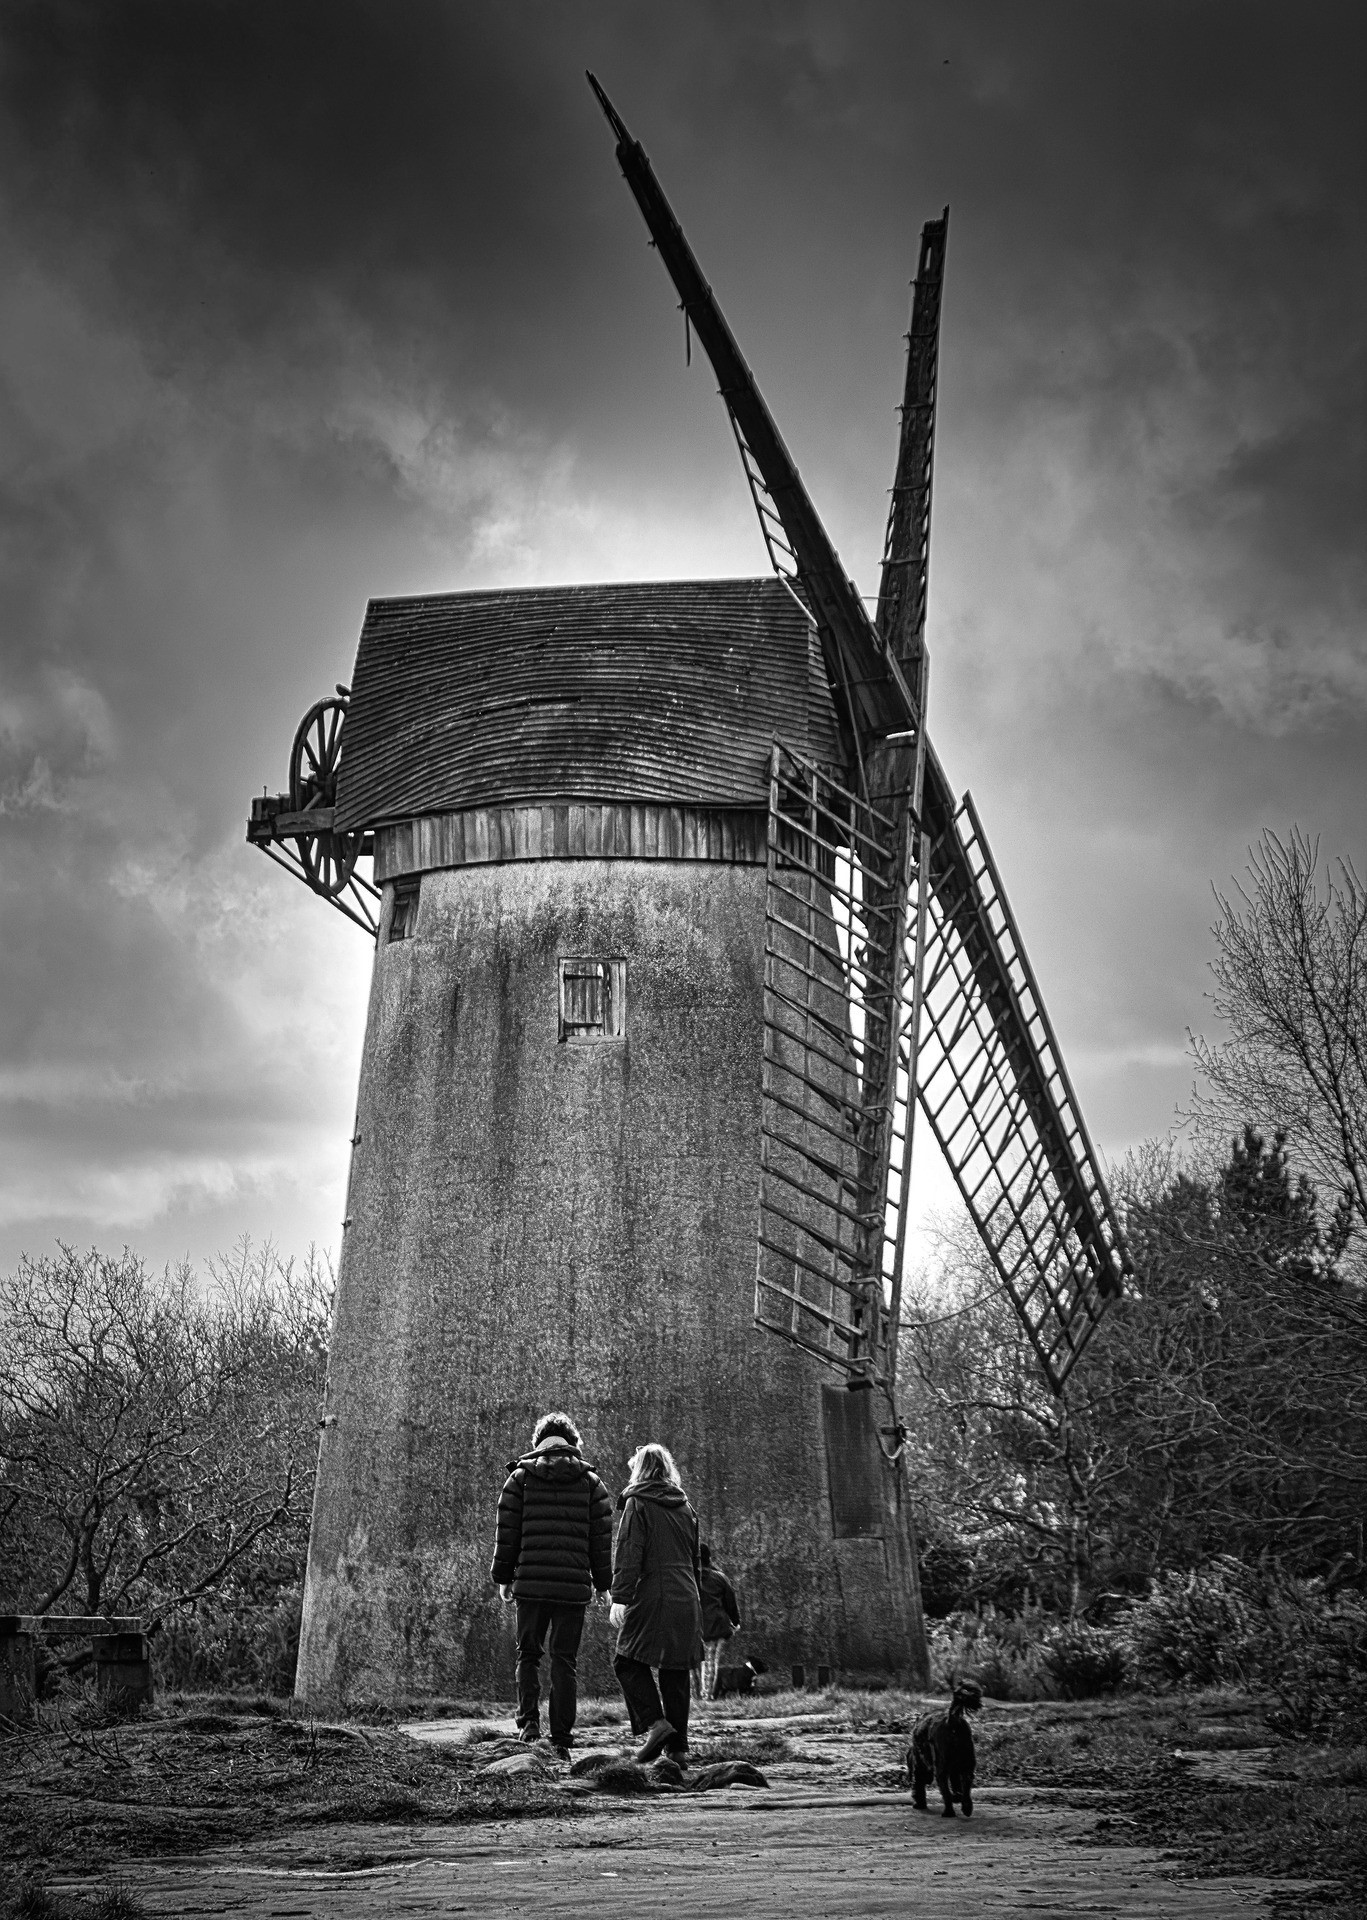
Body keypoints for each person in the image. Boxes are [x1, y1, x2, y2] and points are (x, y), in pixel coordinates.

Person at [489, 1410, 613, 1756]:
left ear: (538, 1443)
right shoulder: (592, 1483)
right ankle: (561, 1734)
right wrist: (603, 1583)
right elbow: (600, 1541)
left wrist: (503, 1577)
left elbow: (507, 1534)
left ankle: (529, 1725)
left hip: (530, 1584)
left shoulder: (519, 1479)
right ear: (572, 1443)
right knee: (564, 1659)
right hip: (573, 1589)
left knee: (528, 1655)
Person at [610, 1441, 704, 1763]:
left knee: (626, 1660)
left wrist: (620, 1598)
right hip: (687, 1596)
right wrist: (698, 1602)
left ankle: (656, 1724)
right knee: (674, 1671)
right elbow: (696, 1561)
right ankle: (677, 1751)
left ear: (641, 1469)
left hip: (655, 1592)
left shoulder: (638, 1503)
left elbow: (628, 1551)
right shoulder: (686, 1507)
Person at [697, 1542, 742, 1700]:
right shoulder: (719, 1578)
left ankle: (696, 1696)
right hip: (716, 1626)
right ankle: (707, 1695)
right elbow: (731, 1603)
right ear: (709, 1558)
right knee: (711, 1662)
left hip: (693, 1627)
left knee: (694, 1664)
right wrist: (735, 1622)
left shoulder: (687, 1577)